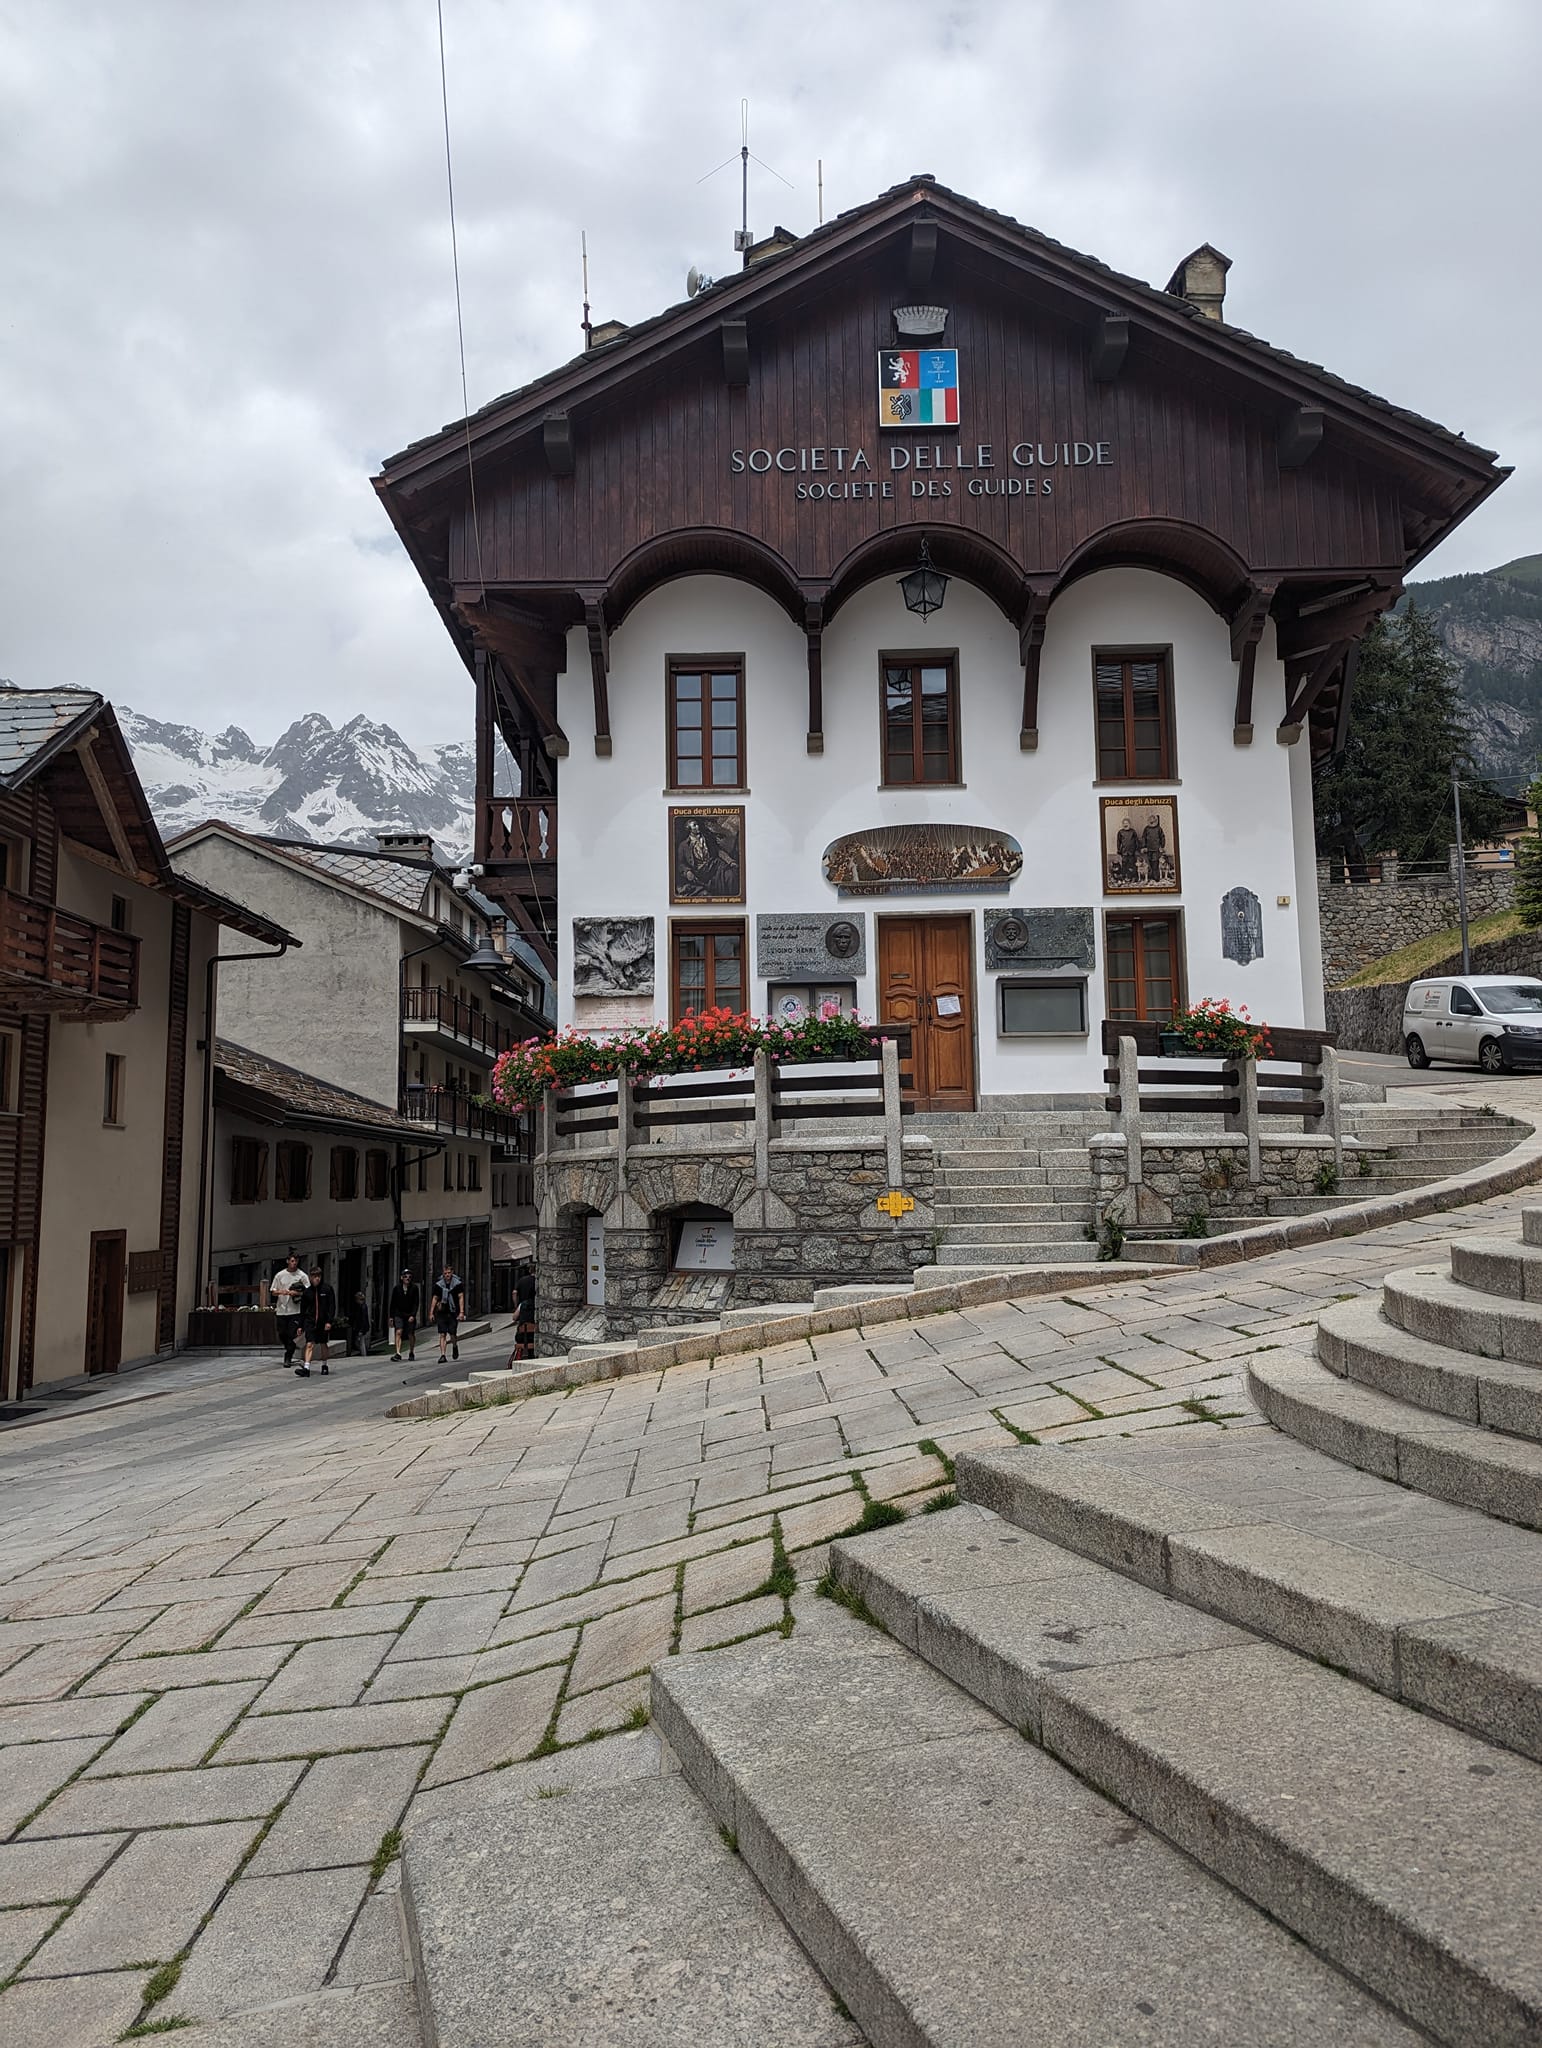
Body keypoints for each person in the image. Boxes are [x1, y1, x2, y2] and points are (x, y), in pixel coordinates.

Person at [269, 1255, 309, 1366]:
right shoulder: (280, 1275)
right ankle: (289, 1347)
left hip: (295, 1310)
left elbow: (308, 1291)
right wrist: (282, 1292)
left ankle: (288, 1356)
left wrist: (296, 1293)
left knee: (292, 1334)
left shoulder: (302, 1275)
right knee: (282, 1332)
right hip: (282, 1309)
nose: (294, 1263)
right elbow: (273, 1290)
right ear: (287, 1261)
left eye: (296, 1261)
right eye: (292, 1261)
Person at [297, 1269, 336, 1377]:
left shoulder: (327, 1289)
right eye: (314, 1276)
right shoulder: (307, 1292)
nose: (317, 1278)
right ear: (310, 1277)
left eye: (318, 1276)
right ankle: (306, 1368)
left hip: (323, 1321)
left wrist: (329, 1321)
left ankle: (324, 1365)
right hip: (310, 1321)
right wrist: (300, 1325)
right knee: (309, 1344)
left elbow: (332, 1306)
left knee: (323, 1343)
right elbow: (303, 1309)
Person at [432, 1263, 464, 1364]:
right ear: (443, 1274)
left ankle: (454, 1346)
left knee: (452, 1333)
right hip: (442, 1312)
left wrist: (461, 1312)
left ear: (452, 1273)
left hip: (453, 1311)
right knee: (442, 1333)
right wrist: (431, 1312)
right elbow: (435, 1298)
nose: (447, 1275)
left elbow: (461, 1297)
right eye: (445, 1273)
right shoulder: (439, 1285)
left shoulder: (457, 1284)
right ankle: (443, 1355)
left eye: (449, 1273)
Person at [389, 1269, 420, 1361]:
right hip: (399, 1313)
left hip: (410, 1314)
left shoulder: (414, 1288)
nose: (408, 1278)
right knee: (399, 1331)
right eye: (405, 1276)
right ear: (402, 1278)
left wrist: (413, 1315)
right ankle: (398, 1352)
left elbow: (416, 1303)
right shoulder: (397, 1288)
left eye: (409, 1277)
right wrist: (391, 1316)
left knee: (410, 1333)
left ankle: (411, 1351)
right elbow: (393, 1303)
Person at [512, 1269, 536, 1362]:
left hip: (522, 1337)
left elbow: (514, 1318)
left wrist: (516, 1306)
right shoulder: (539, 1306)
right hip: (534, 1336)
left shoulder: (522, 1304)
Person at [347, 1290, 371, 1357]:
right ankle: (363, 1354)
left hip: (361, 1327)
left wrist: (361, 1330)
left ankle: (363, 1355)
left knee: (360, 1342)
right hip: (362, 1327)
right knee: (360, 1341)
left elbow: (363, 1319)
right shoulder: (362, 1306)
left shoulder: (362, 1307)